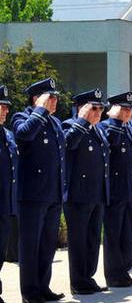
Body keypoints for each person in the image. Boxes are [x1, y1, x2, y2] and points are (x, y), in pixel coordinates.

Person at [12, 78, 66, 303]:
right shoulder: (22, 117)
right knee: (30, 246)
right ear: (36, 98)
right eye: (50, 97)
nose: (54, 102)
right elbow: (23, 135)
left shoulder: (54, 123)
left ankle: (43, 286)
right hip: (33, 195)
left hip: (53, 193)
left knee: (47, 245)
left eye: (55, 98)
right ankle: (30, 292)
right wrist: (40, 111)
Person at [62, 89, 110, 295]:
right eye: (94, 108)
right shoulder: (71, 126)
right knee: (79, 240)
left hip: (97, 193)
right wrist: (81, 121)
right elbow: (68, 144)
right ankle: (78, 281)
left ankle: (88, 276)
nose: (99, 112)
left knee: (92, 239)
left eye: (101, 108)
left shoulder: (96, 129)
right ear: (81, 108)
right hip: (78, 195)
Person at [98, 92, 132, 288]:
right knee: (114, 234)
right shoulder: (107, 127)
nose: (128, 112)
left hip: (130, 189)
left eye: (129, 109)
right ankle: (113, 275)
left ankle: (124, 271)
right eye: (123, 108)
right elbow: (110, 145)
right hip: (115, 190)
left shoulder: (128, 128)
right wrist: (114, 120)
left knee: (127, 233)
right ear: (114, 109)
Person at [0, 86, 17, 303]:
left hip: (4, 204)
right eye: (1, 107)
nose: (5, 111)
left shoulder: (7, 134)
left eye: (6, 108)